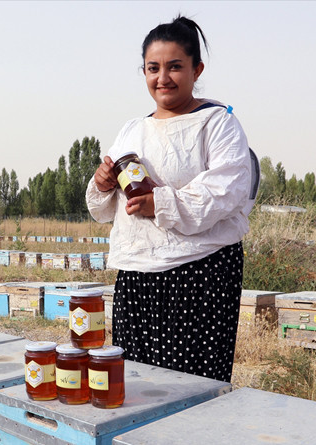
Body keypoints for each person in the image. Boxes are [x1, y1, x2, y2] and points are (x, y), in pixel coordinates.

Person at [85, 15, 252, 383]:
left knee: (191, 385)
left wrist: (158, 204)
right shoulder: (132, 129)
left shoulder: (217, 123)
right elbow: (102, 208)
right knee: (138, 382)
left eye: (175, 66)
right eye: (153, 68)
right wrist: (102, 183)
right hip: (136, 275)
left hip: (199, 273)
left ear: (197, 69)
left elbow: (225, 190)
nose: (163, 78)